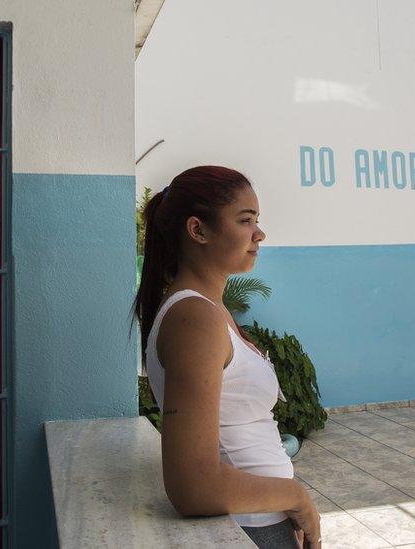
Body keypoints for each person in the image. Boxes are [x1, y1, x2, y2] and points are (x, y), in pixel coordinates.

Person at [132, 166, 322, 548]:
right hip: (248, 529)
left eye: (258, 220)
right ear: (198, 230)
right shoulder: (194, 319)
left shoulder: (209, 311)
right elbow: (193, 485)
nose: (259, 234)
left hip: (260, 521)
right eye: (245, 220)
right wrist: (296, 497)